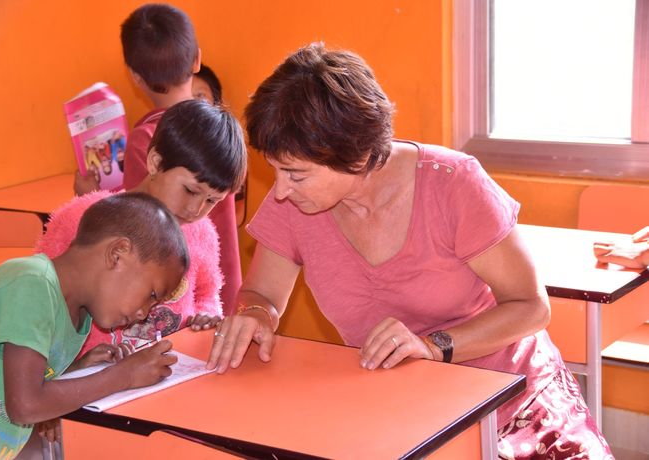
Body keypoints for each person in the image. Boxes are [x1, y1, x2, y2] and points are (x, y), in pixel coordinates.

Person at [206, 43, 613, 459]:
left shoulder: (454, 184)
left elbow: (531, 307)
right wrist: (254, 315)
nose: (280, 189)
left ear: (355, 154)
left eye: (296, 174)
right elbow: (262, 297)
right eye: (275, 170)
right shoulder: (294, 203)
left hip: (516, 402)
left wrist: (433, 346)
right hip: (405, 408)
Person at [0, 193, 188, 459]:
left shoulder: (79, 316)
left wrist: (76, 371)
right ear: (117, 254)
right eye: (151, 295)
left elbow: (22, 379)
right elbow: (24, 404)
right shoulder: (32, 283)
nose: (144, 313)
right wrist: (123, 376)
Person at [38, 99, 247, 357]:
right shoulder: (84, 215)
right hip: (88, 377)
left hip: (165, 374)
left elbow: (207, 292)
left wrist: (205, 315)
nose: (196, 209)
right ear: (156, 163)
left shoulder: (202, 233)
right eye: (190, 190)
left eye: (212, 201)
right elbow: (41, 290)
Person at [74, 4, 242, 314]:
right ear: (197, 60)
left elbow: (130, 228)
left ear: (136, 77)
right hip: (219, 293)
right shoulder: (218, 136)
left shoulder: (148, 140)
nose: (196, 208)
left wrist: (91, 198)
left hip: (180, 302)